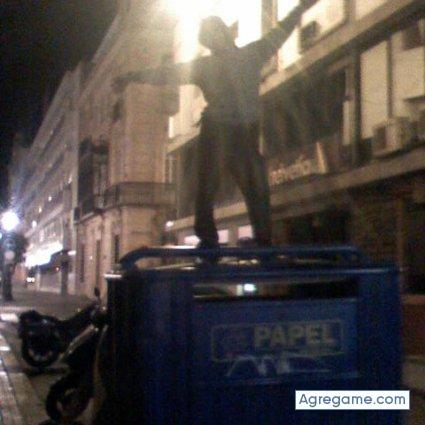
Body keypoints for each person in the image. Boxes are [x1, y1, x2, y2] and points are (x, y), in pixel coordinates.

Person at [114, 0, 317, 250]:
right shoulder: (246, 56)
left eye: (212, 39)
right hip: (234, 130)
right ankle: (243, 236)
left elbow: (167, 73)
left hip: (227, 130)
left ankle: (226, 237)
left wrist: (131, 77)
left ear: (220, 36)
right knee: (240, 184)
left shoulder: (223, 62)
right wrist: (301, 7)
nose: (213, 45)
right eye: (210, 41)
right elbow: (167, 73)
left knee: (227, 184)